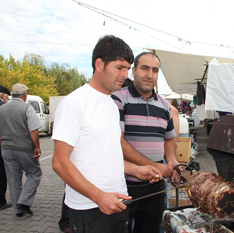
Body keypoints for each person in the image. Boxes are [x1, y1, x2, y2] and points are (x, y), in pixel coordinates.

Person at [52, 35, 162, 233]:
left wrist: (136, 170)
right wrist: (99, 196)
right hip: (90, 207)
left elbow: (108, 156)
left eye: (127, 68)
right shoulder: (74, 103)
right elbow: (59, 162)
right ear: (99, 64)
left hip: (118, 201)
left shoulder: (112, 105)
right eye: (119, 67)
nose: (124, 74)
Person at [112, 52, 180, 233]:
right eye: (144, 68)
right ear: (133, 71)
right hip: (124, 185)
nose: (150, 74)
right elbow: (117, 142)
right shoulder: (118, 100)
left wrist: (172, 161)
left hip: (155, 188)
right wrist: (154, 166)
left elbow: (168, 139)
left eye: (155, 70)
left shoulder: (165, 106)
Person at [0, 83, 42, 217]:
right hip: (24, 148)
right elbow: (33, 130)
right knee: (34, 173)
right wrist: (36, 147)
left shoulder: (2, 109)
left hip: (6, 149)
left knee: (13, 180)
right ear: (25, 95)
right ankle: (24, 202)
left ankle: (18, 210)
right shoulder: (27, 108)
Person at [0, 85, 11, 210]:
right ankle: (1, 201)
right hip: (3, 145)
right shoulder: (3, 106)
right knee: (2, 174)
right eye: (7, 95)